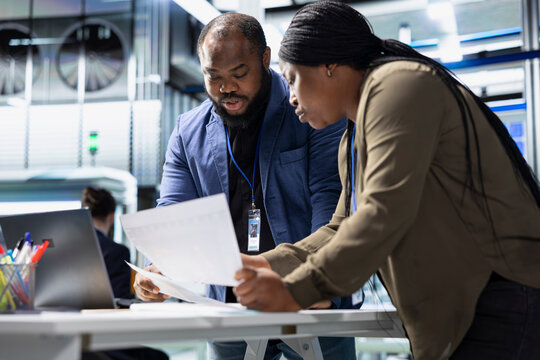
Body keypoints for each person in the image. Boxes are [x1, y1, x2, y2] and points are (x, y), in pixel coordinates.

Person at [234, 2, 540, 360]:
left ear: (329, 65)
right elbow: (341, 228)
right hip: (466, 308)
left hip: (501, 297)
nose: (291, 97)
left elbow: (382, 213)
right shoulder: (352, 136)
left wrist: (295, 291)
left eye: (293, 79)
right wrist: (269, 264)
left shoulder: (398, 85)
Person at [133, 12, 358, 360]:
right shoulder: (187, 131)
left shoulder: (312, 108)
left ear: (265, 60)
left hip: (309, 302)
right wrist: (159, 270)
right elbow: (174, 213)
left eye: (239, 74)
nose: (226, 87)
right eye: (214, 76)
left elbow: (331, 204)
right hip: (230, 306)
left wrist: (319, 284)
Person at [81, 187, 169, 360]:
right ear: (112, 215)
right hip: (105, 340)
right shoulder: (116, 252)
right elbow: (120, 304)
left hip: (72, 338)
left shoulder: (68, 250)